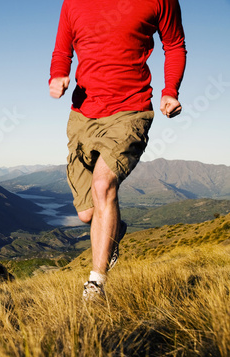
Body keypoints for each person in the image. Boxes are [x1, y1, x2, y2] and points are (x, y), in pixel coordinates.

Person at [49, 0, 187, 300]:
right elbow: (63, 49)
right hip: (83, 114)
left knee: (103, 186)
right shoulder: (73, 3)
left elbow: (174, 45)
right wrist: (58, 74)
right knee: (88, 213)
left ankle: (96, 284)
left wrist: (170, 91)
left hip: (130, 110)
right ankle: (114, 230)